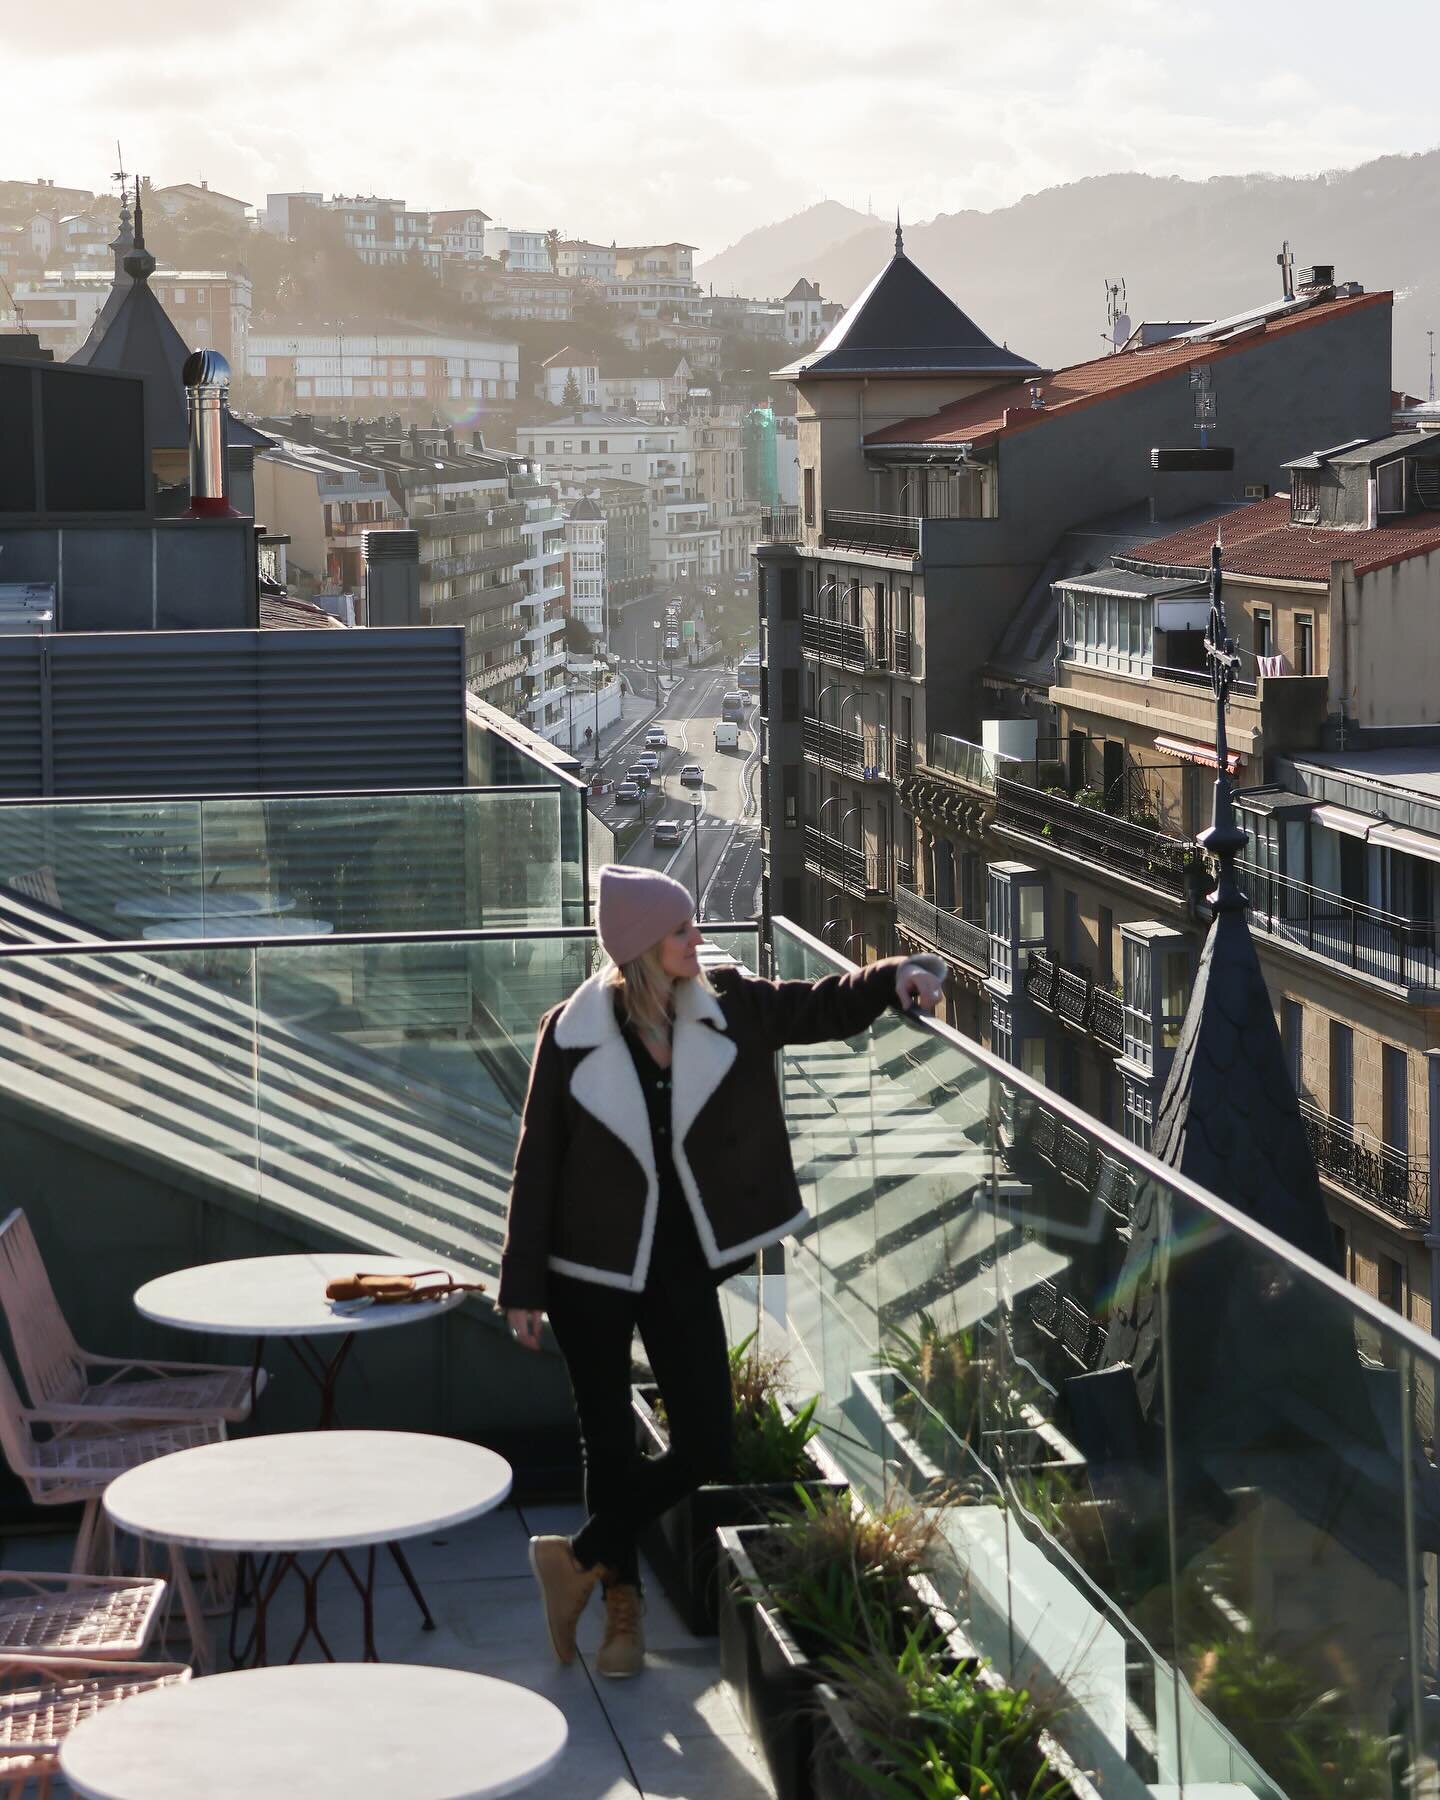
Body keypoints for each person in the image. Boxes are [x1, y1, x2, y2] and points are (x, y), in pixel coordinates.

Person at [499, 864, 943, 1678]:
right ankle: (620, 1613)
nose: (697, 939)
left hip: (680, 1261)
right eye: (680, 931)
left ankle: (578, 1559)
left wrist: (895, 977)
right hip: (585, 1267)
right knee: (607, 1438)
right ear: (639, 950)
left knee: (706, 1443)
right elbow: (538, 1162)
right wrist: (522, 1286)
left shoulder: (729, 1004)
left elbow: (820, 1006)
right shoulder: (570, 1034)